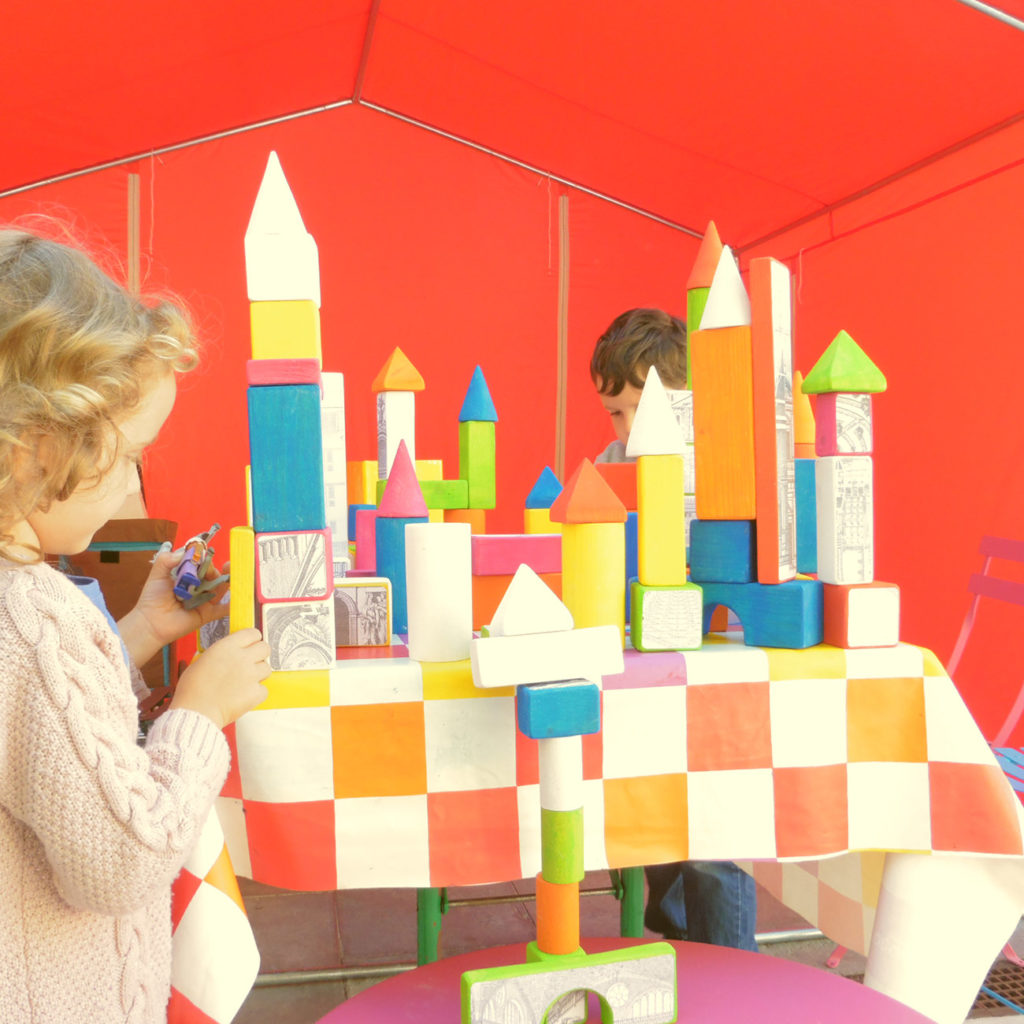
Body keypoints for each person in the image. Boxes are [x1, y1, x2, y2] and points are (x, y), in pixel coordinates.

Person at [0, 226, 272, 1021]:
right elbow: (122, 860)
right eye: (126, 456)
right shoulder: (35, 616)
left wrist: (144, 629)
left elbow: (36, 736)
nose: (129, 488)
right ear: (37, 447)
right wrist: (198, 715)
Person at [590, 307, 758, 951]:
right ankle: (681, 939)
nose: (629, 428)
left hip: (712, 666)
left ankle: (732, 967)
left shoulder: (716, 462)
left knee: (712, 839)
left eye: (644, 407)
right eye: (617, 412)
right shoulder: (613, 462)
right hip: (642, 668)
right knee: (648, 824)